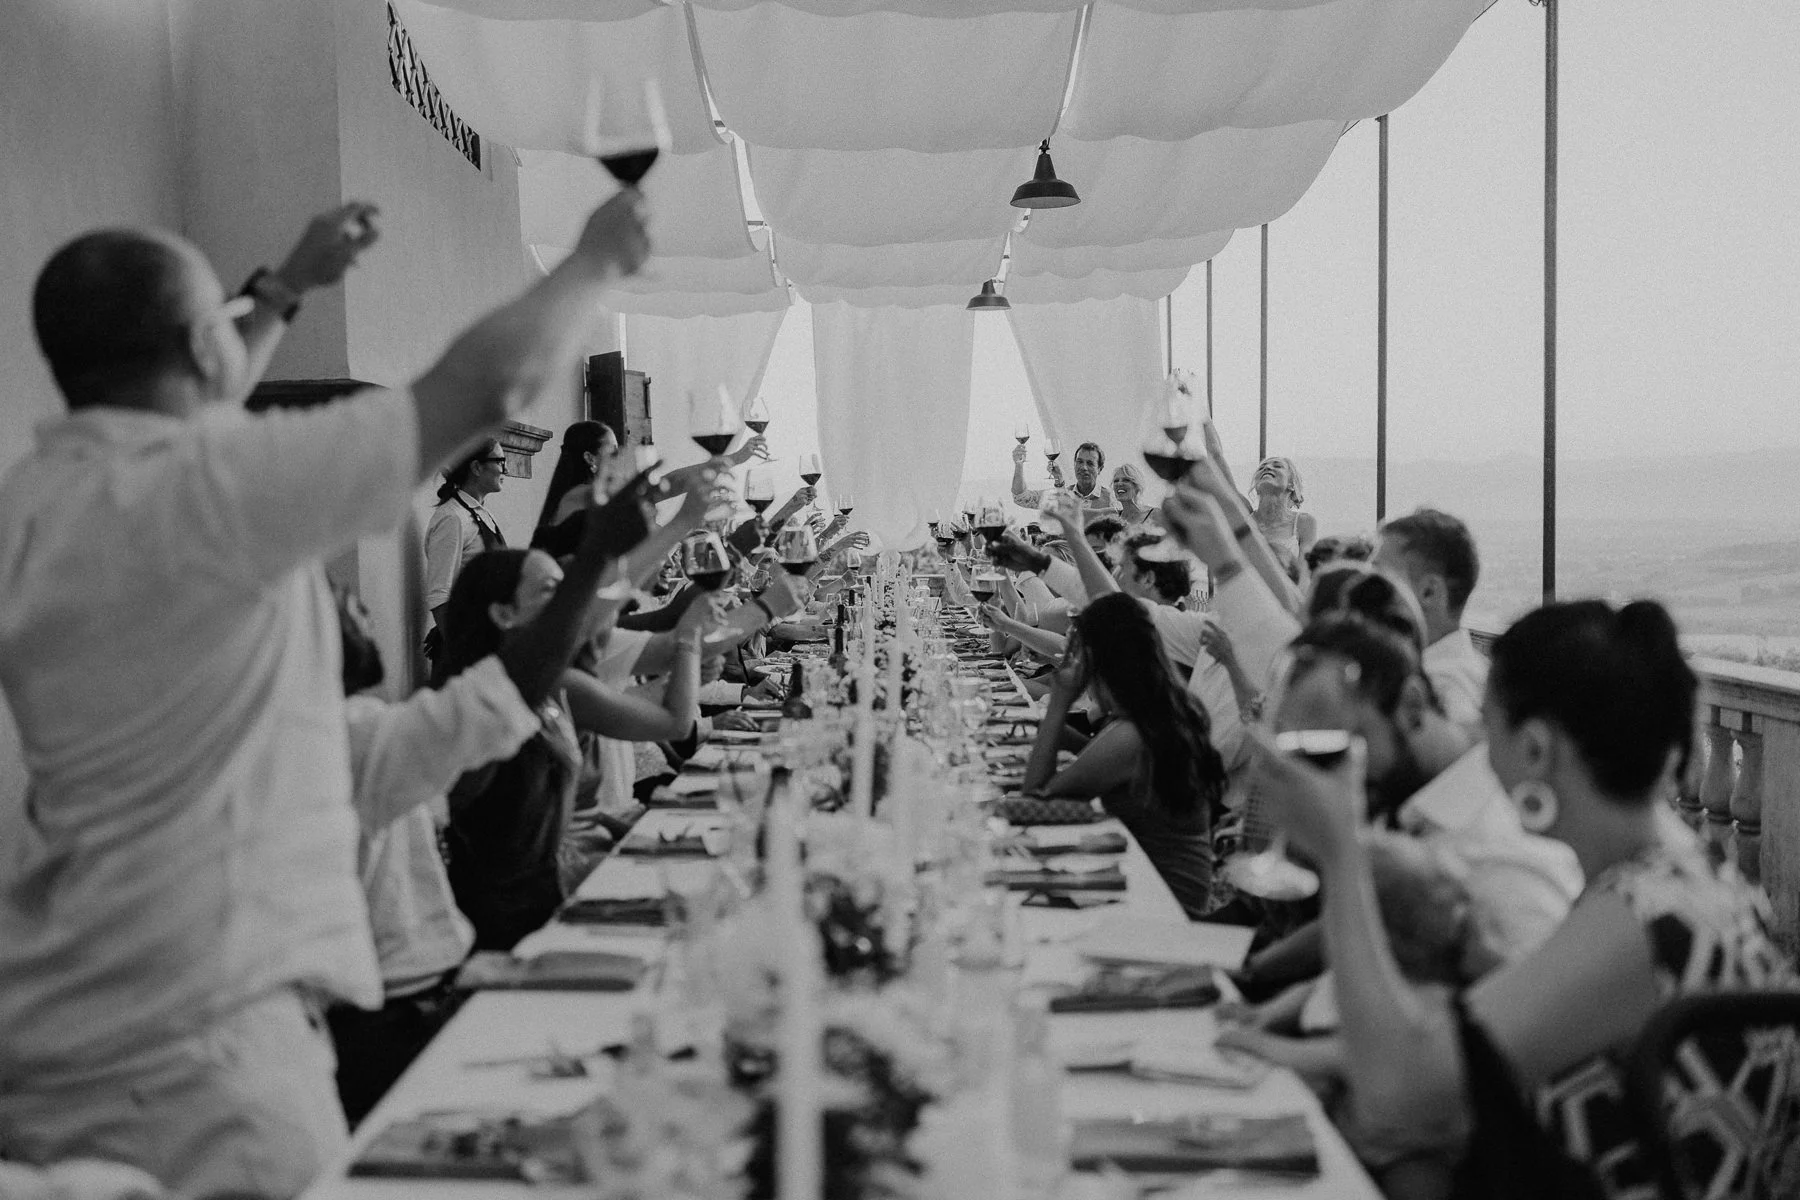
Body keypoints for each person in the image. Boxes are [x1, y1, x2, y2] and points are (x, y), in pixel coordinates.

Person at [0, 188, 649, 1198]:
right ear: (201, 347)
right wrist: (596, 260)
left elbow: (193, 390)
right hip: (209, 1061)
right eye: (223, 322)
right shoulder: (209, 486)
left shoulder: (34, 502)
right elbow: (490, 382)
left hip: (61, 1036)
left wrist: (285, 287)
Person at [1247, 600, 1797, 1199]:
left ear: (1535, 749)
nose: (1482, 750)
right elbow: (1461, 1046)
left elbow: (1399, 1091)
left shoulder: (1639, 917)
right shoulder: (1689, 877)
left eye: (1490, 728)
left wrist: (1342, 853)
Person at [328, 479, 660, 1124]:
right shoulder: (344, 741)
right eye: (339, 605)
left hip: (449, 977)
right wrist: (592, 556)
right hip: (392, 1011)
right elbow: (512, 687)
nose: (360, 609)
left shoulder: (365, 725)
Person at [1021, 594, 1228, 919]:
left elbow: (1033, 799)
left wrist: (1059, 702)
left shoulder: (1131, 735)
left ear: (1096, 659)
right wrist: (1059, 732)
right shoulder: (1169, 707)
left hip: (1165, 909)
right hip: (1170, 890)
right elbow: (1106, 761)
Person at [1373, 508, 1487, 734]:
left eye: (1380, 578)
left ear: (1429, 592)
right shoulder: (1476, 667)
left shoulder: (1443, 689)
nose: (1366, 589)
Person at [423, 437, 509, 661]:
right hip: (467, 647)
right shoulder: (452, 518)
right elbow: (439, 596)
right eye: (500, 461)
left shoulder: (482, 513)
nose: (505, 469)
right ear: (477, 467)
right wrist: (460, 652)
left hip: (487, 639)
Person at [533, 419, 619, 532]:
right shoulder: (588, 495)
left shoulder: (572, 494)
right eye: (613, 450)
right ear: (590, 458)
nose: (619, 457)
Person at [1012, 439, 1118, 517]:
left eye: (1090, 463)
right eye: (1079, 462)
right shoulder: (1063, 495)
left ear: (1100, 469)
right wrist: (1019, 465)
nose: (1084, 467)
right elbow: (1021, 498)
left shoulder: (1112, 499)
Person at [1109, 463, 1158, 529]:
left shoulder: (1154, 514)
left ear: (1136, 486)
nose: (1119, 484)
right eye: (1116, 481)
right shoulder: (1113, 519)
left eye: (1126, 480)